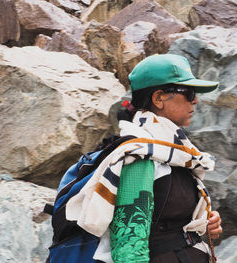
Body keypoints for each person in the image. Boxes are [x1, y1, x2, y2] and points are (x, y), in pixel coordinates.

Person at [66, 54, 222, 263]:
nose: (195, 100)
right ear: (159, 98)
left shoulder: (171, 152)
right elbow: (128, 248)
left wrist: (201, 226)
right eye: (188, 92)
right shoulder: (139, 157)